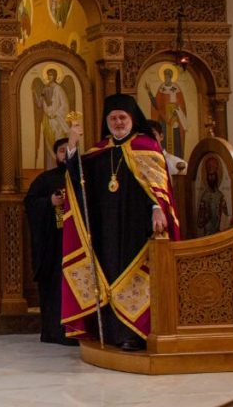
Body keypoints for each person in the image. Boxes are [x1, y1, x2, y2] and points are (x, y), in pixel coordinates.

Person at [63, 94, 180, 351]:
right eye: (113, 118)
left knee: (135, 278)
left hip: (137, 226)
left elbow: (159, 187)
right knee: (109, 275)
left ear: (132, 119)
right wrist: (73, 142)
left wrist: (157, 209)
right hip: (106, 228)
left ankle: (135, 334)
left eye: (122, 118)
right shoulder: (100, 151)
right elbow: (78, 177)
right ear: (107, 121)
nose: (118, 122)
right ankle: (113, 332)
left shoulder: (146, 146)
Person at [23, 138, 77, 346]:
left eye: (68, 151)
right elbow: (30, 203)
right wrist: (50, 202)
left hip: (79, 242)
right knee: (55, 287)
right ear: (56, 155)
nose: (65, 155)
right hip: (54, 244)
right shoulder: (45, 179)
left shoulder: (82, 177)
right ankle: (54, 332)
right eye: (61, 151)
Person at [146, 67, 188, 157]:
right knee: (164, 141)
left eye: (168, 76)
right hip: (164, 119)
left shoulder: (176, 88)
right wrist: (149, 93)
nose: (166, 78)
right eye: (165, 76)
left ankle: (177, 162)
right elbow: (156, 105)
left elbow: (181, 105)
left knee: (176, 141)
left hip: (175, 119)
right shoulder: (162, 88)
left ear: (171, 77)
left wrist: (177, 111)